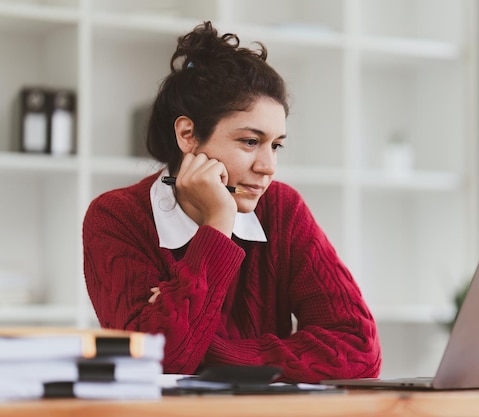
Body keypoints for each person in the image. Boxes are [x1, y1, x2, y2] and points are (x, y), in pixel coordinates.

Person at [82, 21, 381, 383]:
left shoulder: (282, 208)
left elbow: (359, 349)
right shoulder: (118, 217)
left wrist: (210, 353)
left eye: (276, 145)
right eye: (250, 142)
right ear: (188, 135)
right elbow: (154, 365)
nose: (268, 166)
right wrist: (217, 224)